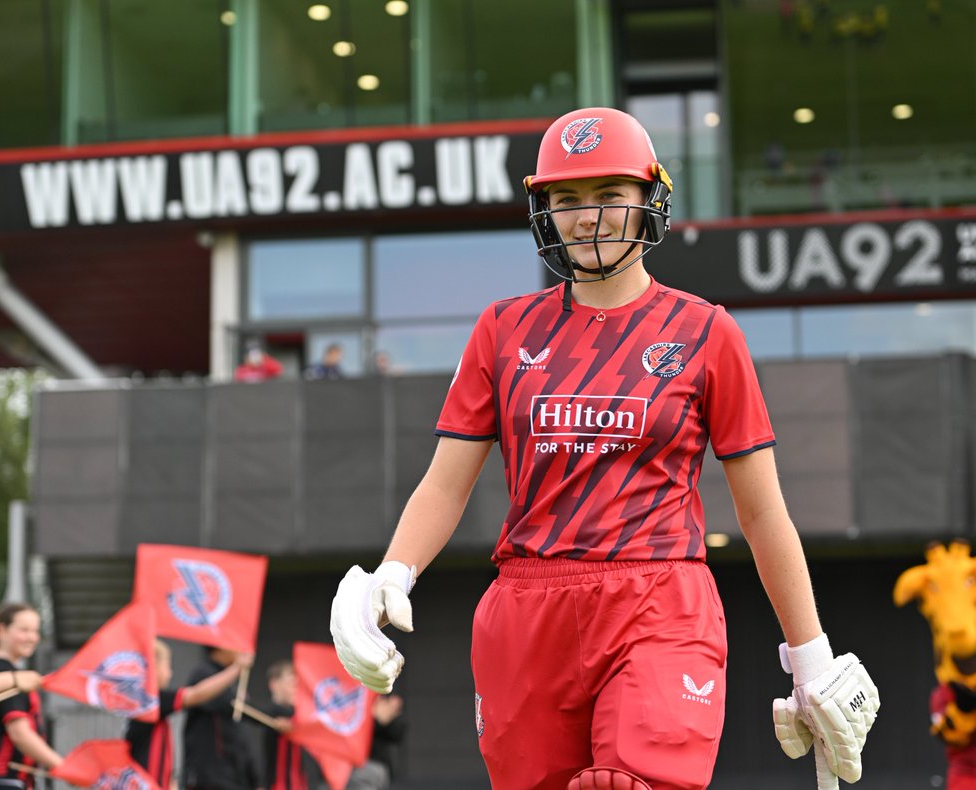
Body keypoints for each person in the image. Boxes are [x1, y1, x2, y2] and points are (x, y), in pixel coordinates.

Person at [328, 107, 880, 790]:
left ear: (650, 197)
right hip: (527, 609)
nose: (588, 217)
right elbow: (445, 484)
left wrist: (810, 654)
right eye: (567, 198)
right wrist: (394, 572)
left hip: (660, 599)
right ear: (545, 211)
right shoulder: (502, 330)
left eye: (609, 194)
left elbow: (764, 513)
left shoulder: (707, 332)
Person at [125, 640, 253, 790]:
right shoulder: (151, 701)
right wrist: (236, 668)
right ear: (152, 667)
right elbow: (196, 694)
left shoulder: (144, 703)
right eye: (167, 666)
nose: (170, 673)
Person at [0, 603, 63, 790]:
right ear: (2, 630)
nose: (32, 637)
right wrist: (63, 766)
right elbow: (20, 733)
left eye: (35, 631)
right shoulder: (5, 674)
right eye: (24, 630)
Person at [182, 646, 262, 790]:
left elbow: (239, 736)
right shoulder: (203, 673)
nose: (239, 650)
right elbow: (229, 704)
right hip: (210, 776)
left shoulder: (230, 683)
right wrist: (236, 668)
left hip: (234, 777)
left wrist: (254, 779)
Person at [258, 659, 319, 790]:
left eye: (298, 684)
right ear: (274, 684)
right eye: (291, 683)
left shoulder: (305, 716)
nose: (296, 689)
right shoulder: (266, 714)